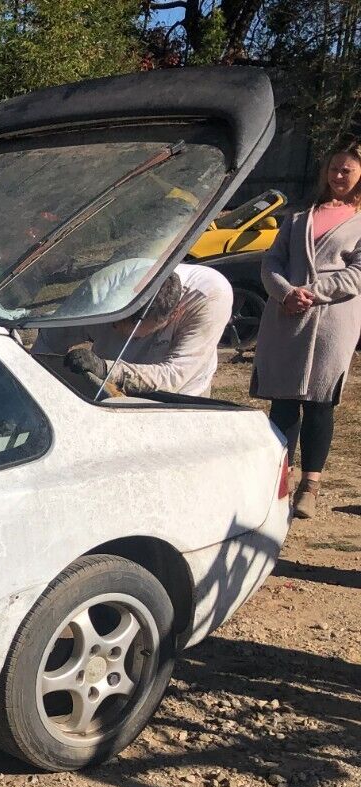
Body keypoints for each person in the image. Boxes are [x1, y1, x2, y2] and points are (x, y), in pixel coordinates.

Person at [253, 142, 361, 518]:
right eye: (334, 168)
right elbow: (272, 261)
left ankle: (310, 486)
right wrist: (285, 293)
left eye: (347, 170)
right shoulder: (300, 215)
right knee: (282, 400)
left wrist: (312, 294)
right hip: (287, 315)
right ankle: (278, 475)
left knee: (319, 401)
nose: (338, 176)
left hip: (331, 319)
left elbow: (357, 273)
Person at [39, 261, 233, 398]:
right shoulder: (98, 291)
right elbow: (49, 340)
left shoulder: (209, 297)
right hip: (106, 389)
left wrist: (106, 369)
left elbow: (175, 377)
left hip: (179, 393)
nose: (115, 330)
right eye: (114, 324)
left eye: (129, 331)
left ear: (173, 315)